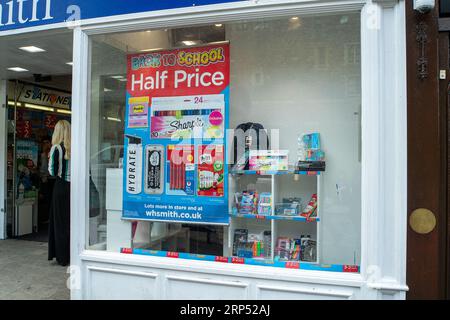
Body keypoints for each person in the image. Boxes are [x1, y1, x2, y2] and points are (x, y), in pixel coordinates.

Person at [48, 120, 71, 266]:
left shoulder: (56, 148)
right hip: (75, 187)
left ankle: (62, 257)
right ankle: (72, 254)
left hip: (61, 186)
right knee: (71, 222)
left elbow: (51, 171)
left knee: (59, 222)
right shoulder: (75, 147)